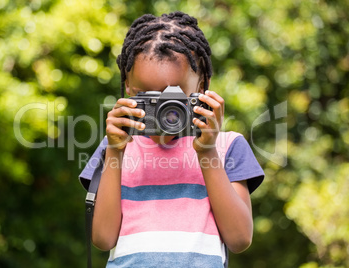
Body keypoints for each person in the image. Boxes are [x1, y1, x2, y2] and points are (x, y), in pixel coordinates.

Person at [79, 11, 264, 268]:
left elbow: (239, 238)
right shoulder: (115, 146)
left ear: (202, 86)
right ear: (128, 87)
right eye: (147, 96)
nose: (164, 110)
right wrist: (114, 152)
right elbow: (103, 238)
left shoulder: (227, 146)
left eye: (173, 97)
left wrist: (207, 151)